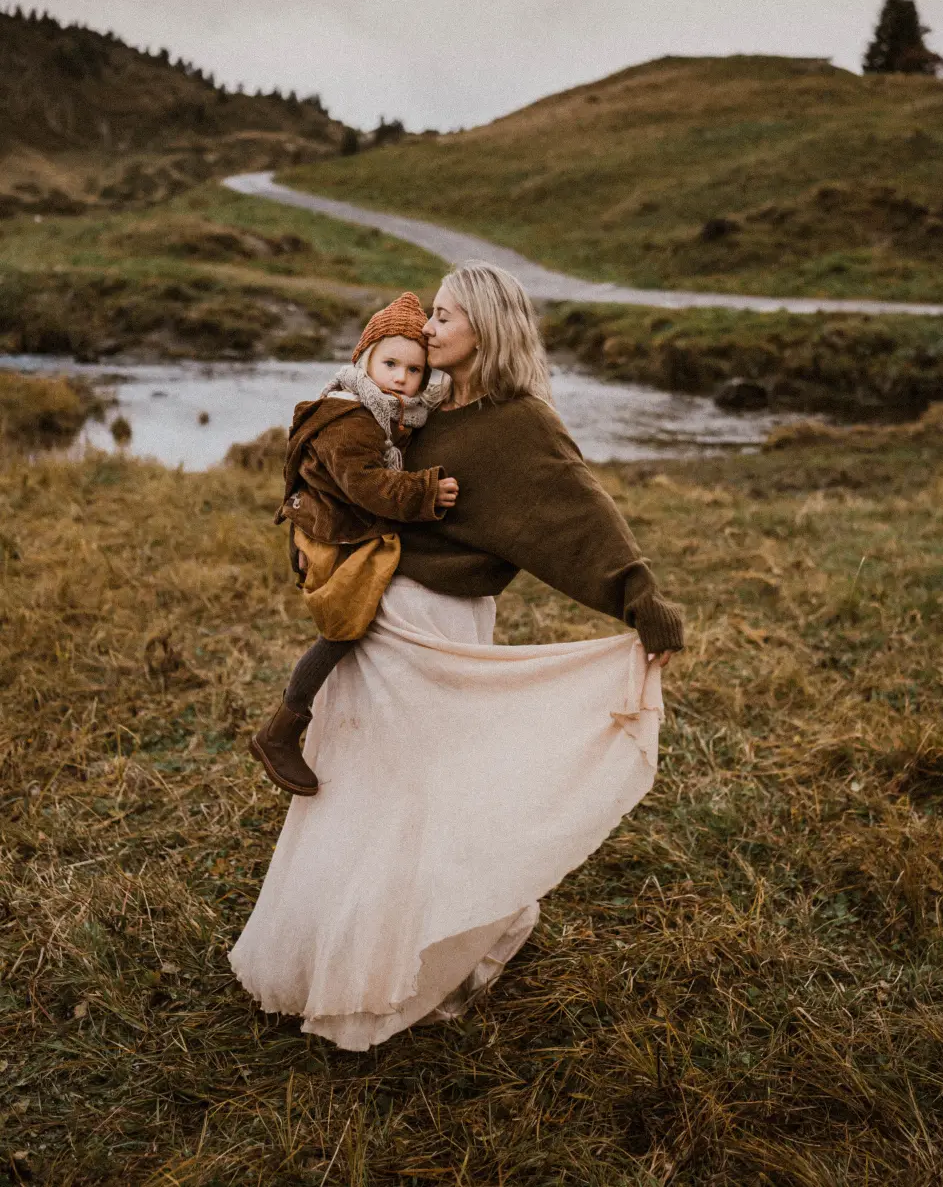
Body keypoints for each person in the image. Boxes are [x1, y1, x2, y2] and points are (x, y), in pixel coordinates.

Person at [230, 262, 684, 1050]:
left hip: (444, 626)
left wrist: (641, 599)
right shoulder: (416, 411)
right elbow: (337, 470)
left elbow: (580, 514)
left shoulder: (519, 424)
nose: (426, 328)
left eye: (443, 316)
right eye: (429, 316)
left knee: (429, 793)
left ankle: (418, 960)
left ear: (486, 326)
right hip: (383, 623)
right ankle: (333, 966)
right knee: (363, 789)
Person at [250, 292, 458, 795]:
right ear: (362, 359)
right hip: (333, 536)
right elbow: (367, 485)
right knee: (344, 629)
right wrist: (424, 490)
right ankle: (280, 731)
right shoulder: (351, 418)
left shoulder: (388, 411)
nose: (402, 379)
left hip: (337, 528)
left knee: (362, 625)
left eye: (414, 370)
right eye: (390, 363)